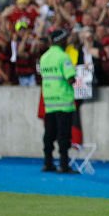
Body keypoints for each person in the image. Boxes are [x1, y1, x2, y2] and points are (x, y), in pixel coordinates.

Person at [39, 28, 77, 173]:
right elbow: (70, 78)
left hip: (49, 101)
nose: (67, 40)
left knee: (49, 134)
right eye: (65, 38)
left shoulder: (44, 57)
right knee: (63, 135)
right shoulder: (63, 57)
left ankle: (48, 162)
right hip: (63, 101)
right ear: (60, 40)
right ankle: (64, 164)